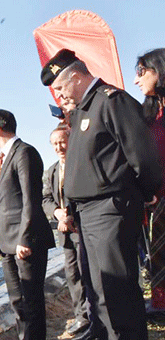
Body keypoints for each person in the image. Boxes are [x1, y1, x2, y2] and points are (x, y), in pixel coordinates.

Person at [42, 49, 162, 339]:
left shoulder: (112, 101)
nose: (59, 96)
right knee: (98, 293)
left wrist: (144, 195)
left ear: (76, 76)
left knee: (118, 293)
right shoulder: (83, 110)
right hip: (87, 215)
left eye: (60, 88)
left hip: (110, 209)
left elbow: (143, 156)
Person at [0, 109, 55, 340]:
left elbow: (30, 198)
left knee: (31, 301)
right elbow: (1, 205)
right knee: (17, 301)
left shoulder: (24, 153)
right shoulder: (3, 158)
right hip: (6, 243)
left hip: (26, 242)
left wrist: (25, 238)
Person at [42, 127, 90, 337]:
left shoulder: (82, 163)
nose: (59, 147)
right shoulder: (52, 170)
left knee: (89, 273)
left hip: (83, 228)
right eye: (55, 144)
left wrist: (71, 216)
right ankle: (82, 316)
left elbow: (87, 193)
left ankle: (94, 315)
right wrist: (57, 213)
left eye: (62, 142)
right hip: (66, 232)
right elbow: (45, 199)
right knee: (72, 275)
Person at [134, 48, 165, 310]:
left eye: (141, 72)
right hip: (158, 200)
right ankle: (161, 302)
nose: (137, 80)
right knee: (158, 254)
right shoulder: (149, 114)